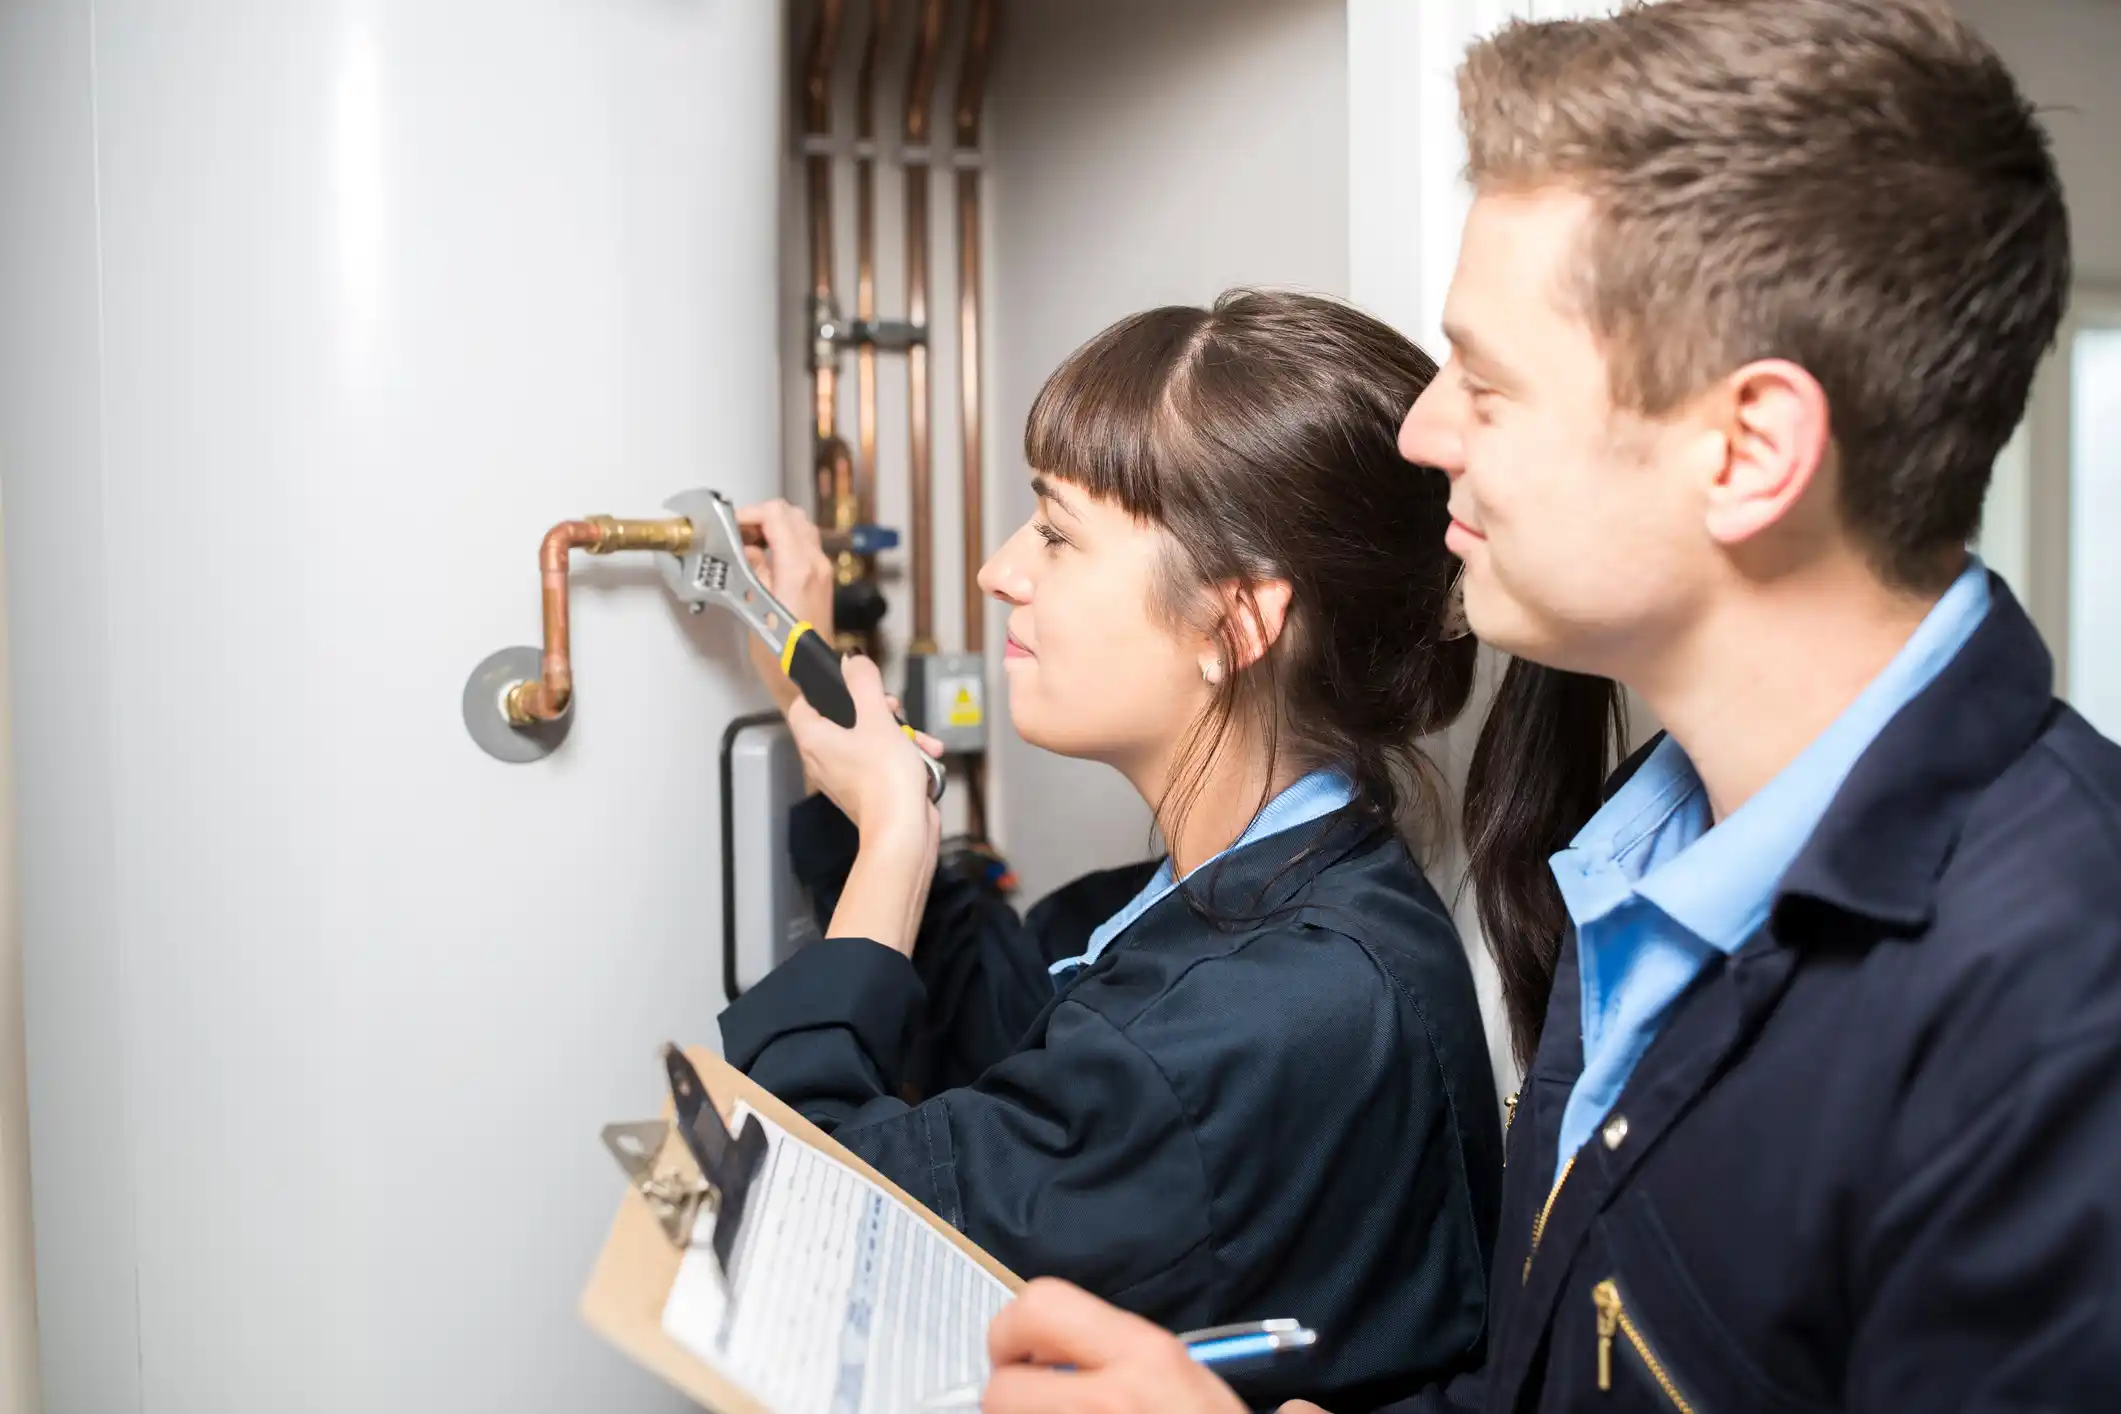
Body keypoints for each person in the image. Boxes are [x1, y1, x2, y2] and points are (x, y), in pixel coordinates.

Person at [972, 2, 2121, 1411]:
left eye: (1490, 383)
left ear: (1748, 450)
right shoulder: (1641, 864)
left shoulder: (2060, 1017)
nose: (1424, 430)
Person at [721, 290, 1619, 1408]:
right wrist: (828, 692)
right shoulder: (1294, 894)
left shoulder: (1255, 1016)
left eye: (1055, 531)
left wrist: (897, 841)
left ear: (1235, 624)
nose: (1004, 569)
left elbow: (793, 1230)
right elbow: (1018, 1059)